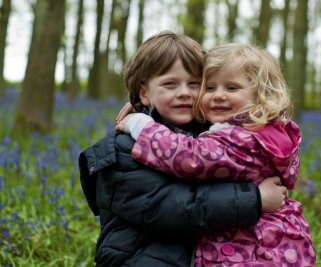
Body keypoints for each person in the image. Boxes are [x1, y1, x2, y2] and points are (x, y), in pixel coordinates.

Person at [79, 32, 287, 267]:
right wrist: (255, 199)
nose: (184, 93)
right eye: (170, 84)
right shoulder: (123, 149)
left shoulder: (214, 140)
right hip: (139, 257)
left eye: (195, 84)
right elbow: (173, 208)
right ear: (144, 93)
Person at [116, 43, 316, 266]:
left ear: (261, 96)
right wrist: (143, 104)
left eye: (231, 88)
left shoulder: (241, 140)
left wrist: (143, 126)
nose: (218, 96)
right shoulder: (266, 131)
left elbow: (190, 158)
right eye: (209, 88)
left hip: (251, 250)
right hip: (273, 245)